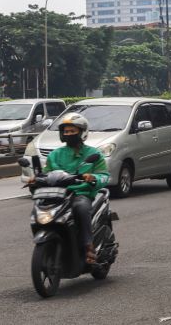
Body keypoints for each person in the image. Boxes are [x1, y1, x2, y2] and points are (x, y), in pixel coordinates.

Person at [29, 113, 109, 265]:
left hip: (80, 193)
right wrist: (36, 179)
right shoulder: (55, 154)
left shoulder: (93, 154)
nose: (69, 134)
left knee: (81, 208)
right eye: (66, 132)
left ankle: (88, 246)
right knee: (39, 208)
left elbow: (104, 176)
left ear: (82, 132)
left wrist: (92, 178)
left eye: (73, 131)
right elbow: (47, 173)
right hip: (58, 194)